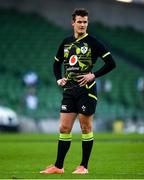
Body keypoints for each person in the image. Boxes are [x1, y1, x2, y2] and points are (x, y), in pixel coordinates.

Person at [40, 8, 116, 174]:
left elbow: (111, 63)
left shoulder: (94, 42)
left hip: (86, 91)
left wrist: (93, 75)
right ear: (73, 23)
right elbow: (56, 63)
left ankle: (84, 166)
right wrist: (58, 78)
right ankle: (58, 166)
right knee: (64, 128)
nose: (82, 25)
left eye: (85, 22)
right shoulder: (66, 42)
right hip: (69, 90)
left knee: (86, 128)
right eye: (79, 22)